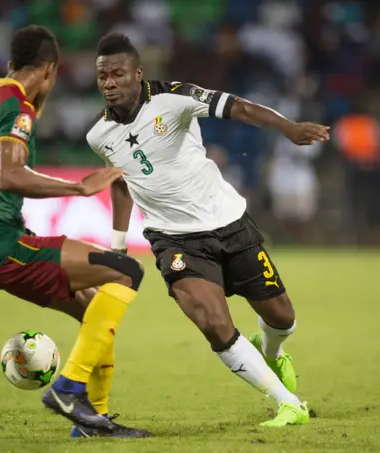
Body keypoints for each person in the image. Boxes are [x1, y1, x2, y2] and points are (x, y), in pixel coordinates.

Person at [87, 34, 330, 427]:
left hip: (228, 222)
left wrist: (288, 128)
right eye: (102, 76)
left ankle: (270, 352)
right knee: (214, 323)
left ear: (138, 74)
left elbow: (240, 107)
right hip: (174, 240)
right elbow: (121, 179)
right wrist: (117, 244)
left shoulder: (173, 98)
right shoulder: (98, 135)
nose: (109, 83)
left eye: (117, 74)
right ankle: (288, 404)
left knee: (282, 317)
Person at [0, 26, 150, 438]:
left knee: (93, 310)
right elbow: (9, 175)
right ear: (49, 70)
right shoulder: (17, 107)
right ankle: (67, 390)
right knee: (127, 271)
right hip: (5, 246)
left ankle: (90, 422)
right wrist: (79, 187)